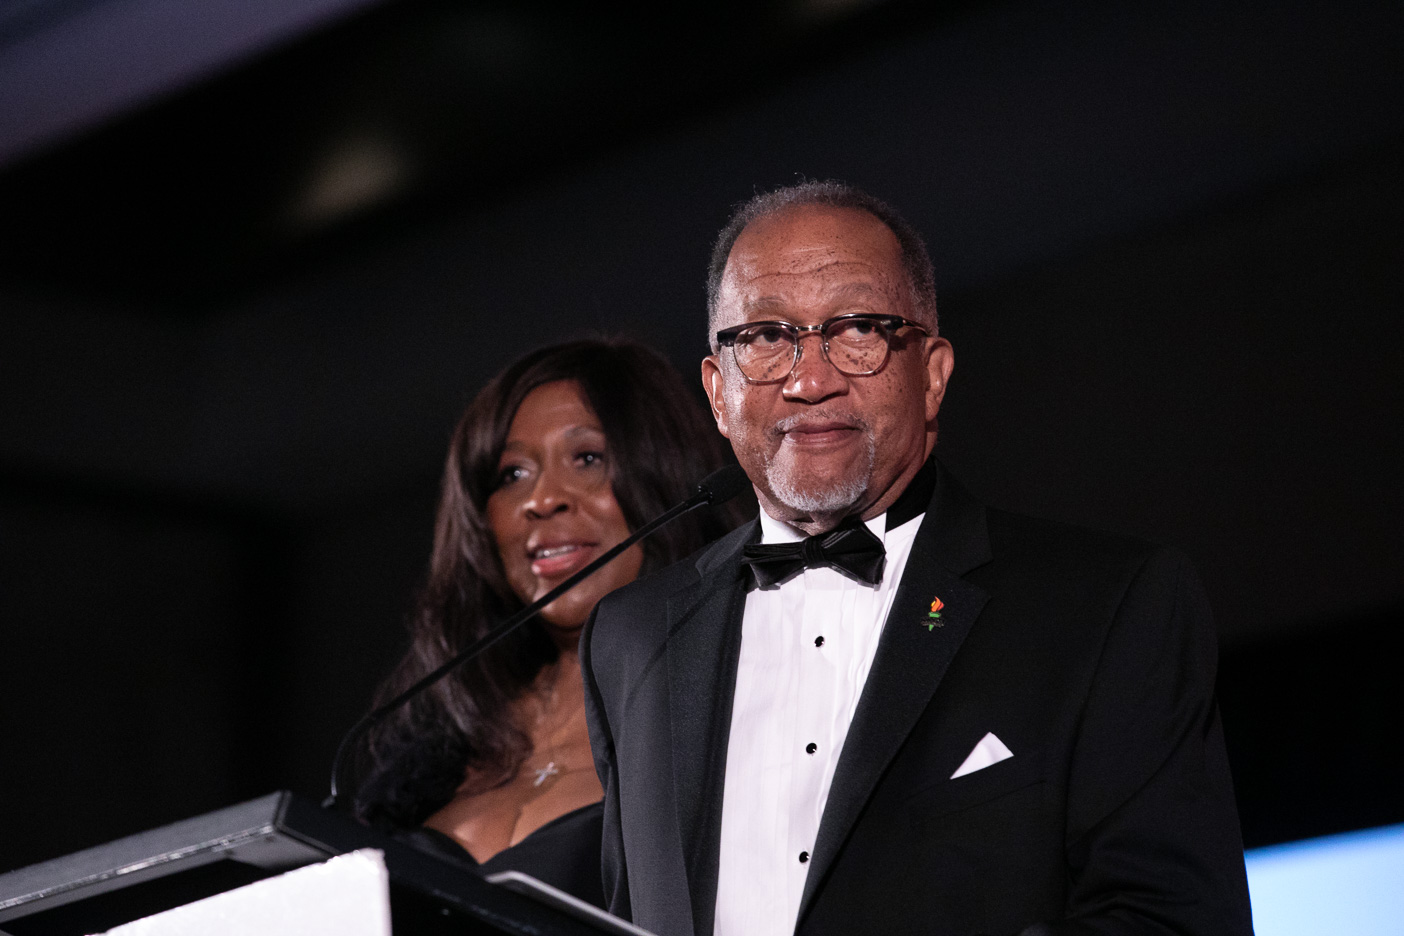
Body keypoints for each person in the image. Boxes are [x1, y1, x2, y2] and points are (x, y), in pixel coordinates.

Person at [582, 183, 1254, 935]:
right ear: (717, 391)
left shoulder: (1106, 605)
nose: (811, 380)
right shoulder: (631, 637)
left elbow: (1174, 922)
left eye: (857, 329)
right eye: (768, 336)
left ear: (931, 373)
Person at [354, 338, 745, 908]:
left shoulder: (731, 712)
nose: (542, 499)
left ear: (664, 476)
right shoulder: (429, 752)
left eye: (587, 459)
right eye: (512, 473)